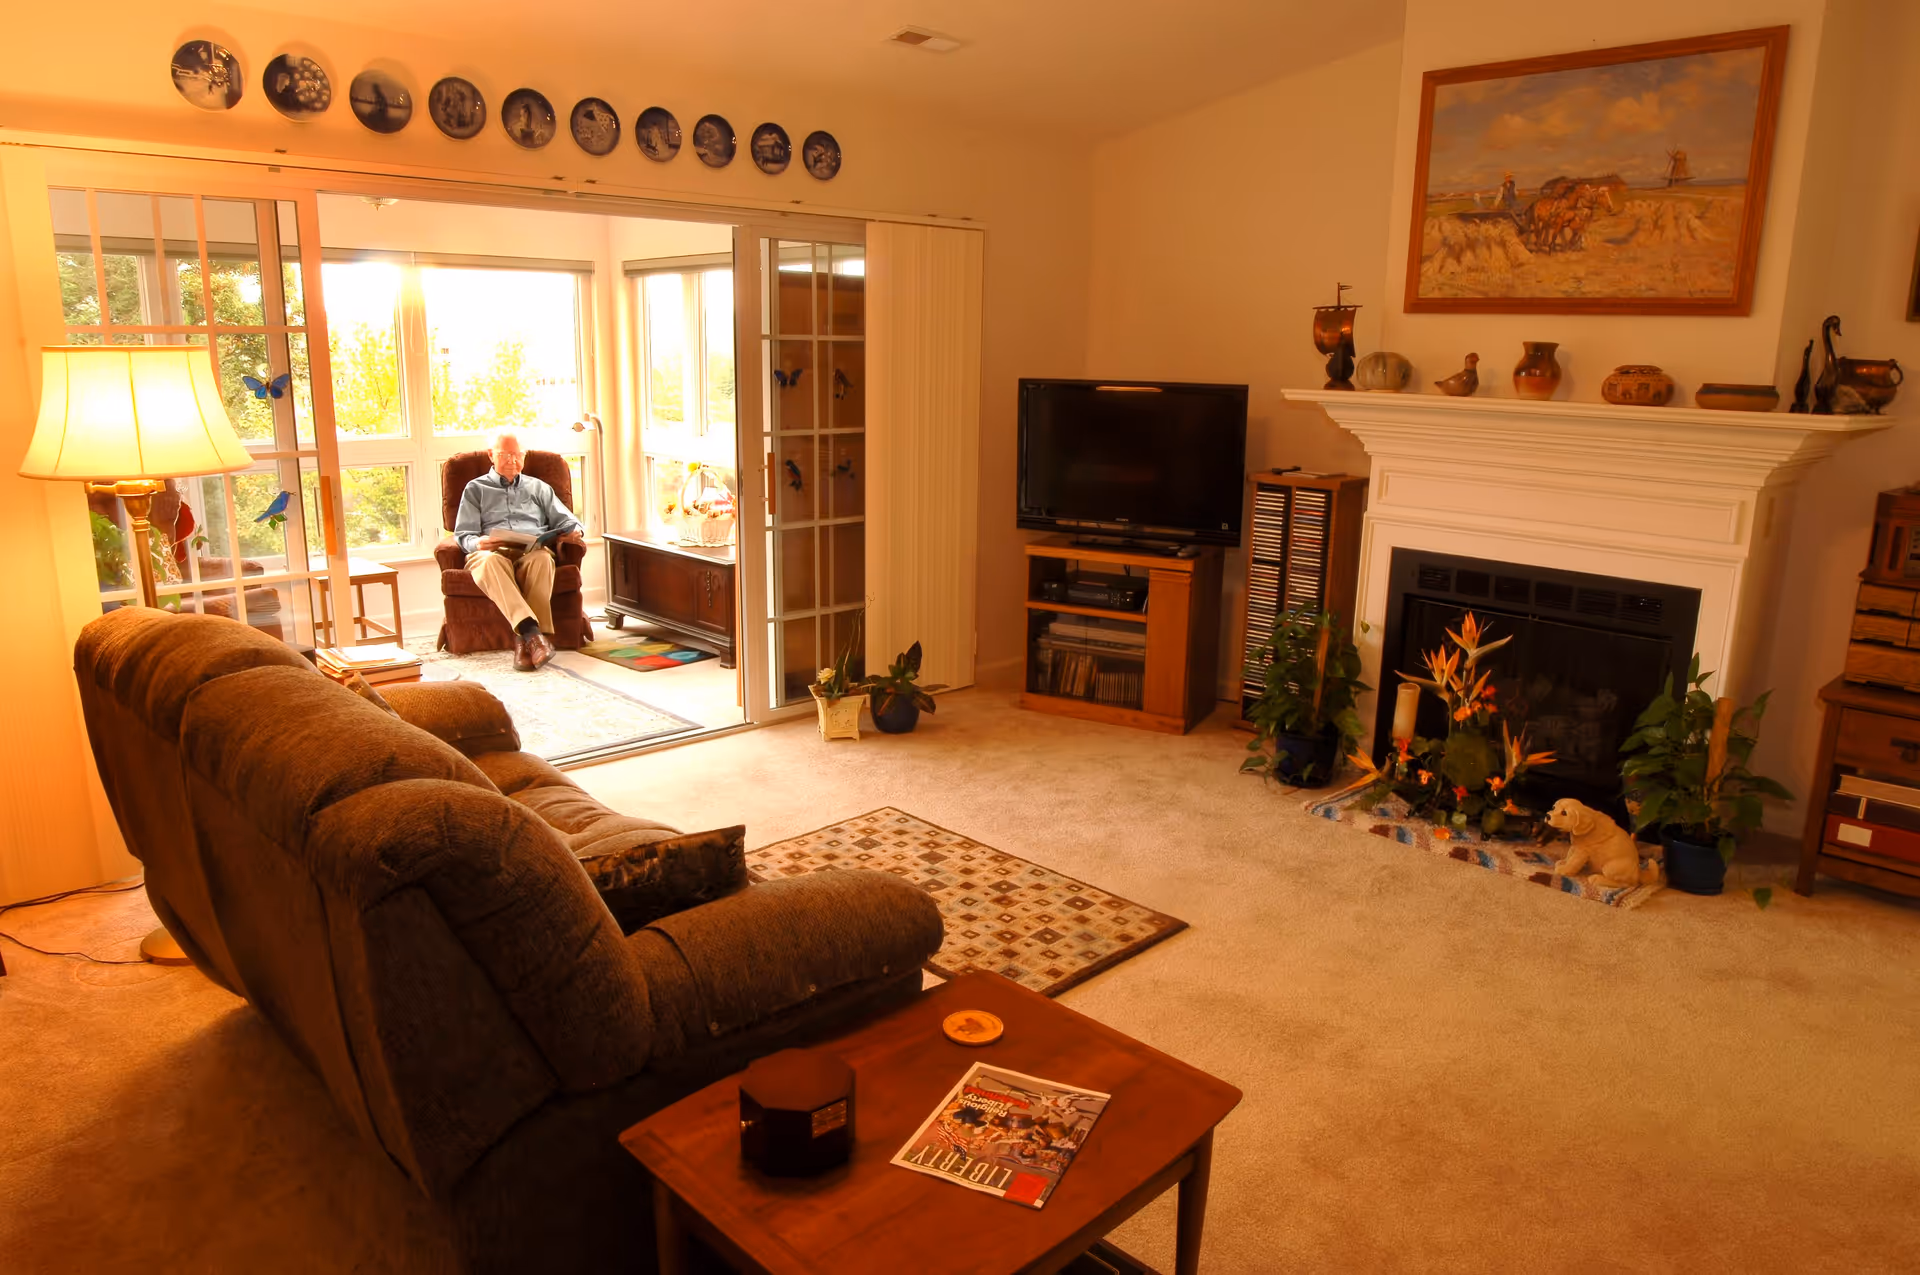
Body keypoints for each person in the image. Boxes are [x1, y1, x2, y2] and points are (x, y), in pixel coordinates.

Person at [453, 430, 584, 671]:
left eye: (517, 454)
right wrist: (480, 543)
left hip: (531, 549)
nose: (513, 460)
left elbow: (568, 521)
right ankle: (533, 635)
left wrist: (575, 532)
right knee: (490, 562)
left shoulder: (539, 488)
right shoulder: (476, 489)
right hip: (492, 552)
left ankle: (524, 644)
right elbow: (463, 536)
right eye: (506, 454)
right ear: (491, 455)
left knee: (543, 561)